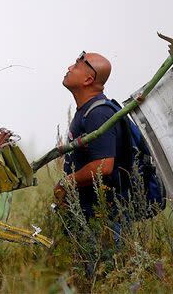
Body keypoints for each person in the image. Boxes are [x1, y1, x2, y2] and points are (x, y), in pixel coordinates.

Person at [53, 51, 126, 218]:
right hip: (89, 212)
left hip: (103, 217)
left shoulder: (98, 114)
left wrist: (66, 183)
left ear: (88, 80)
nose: (70, 67)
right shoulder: (87, 111)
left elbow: (104, 165)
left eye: (77, 65)